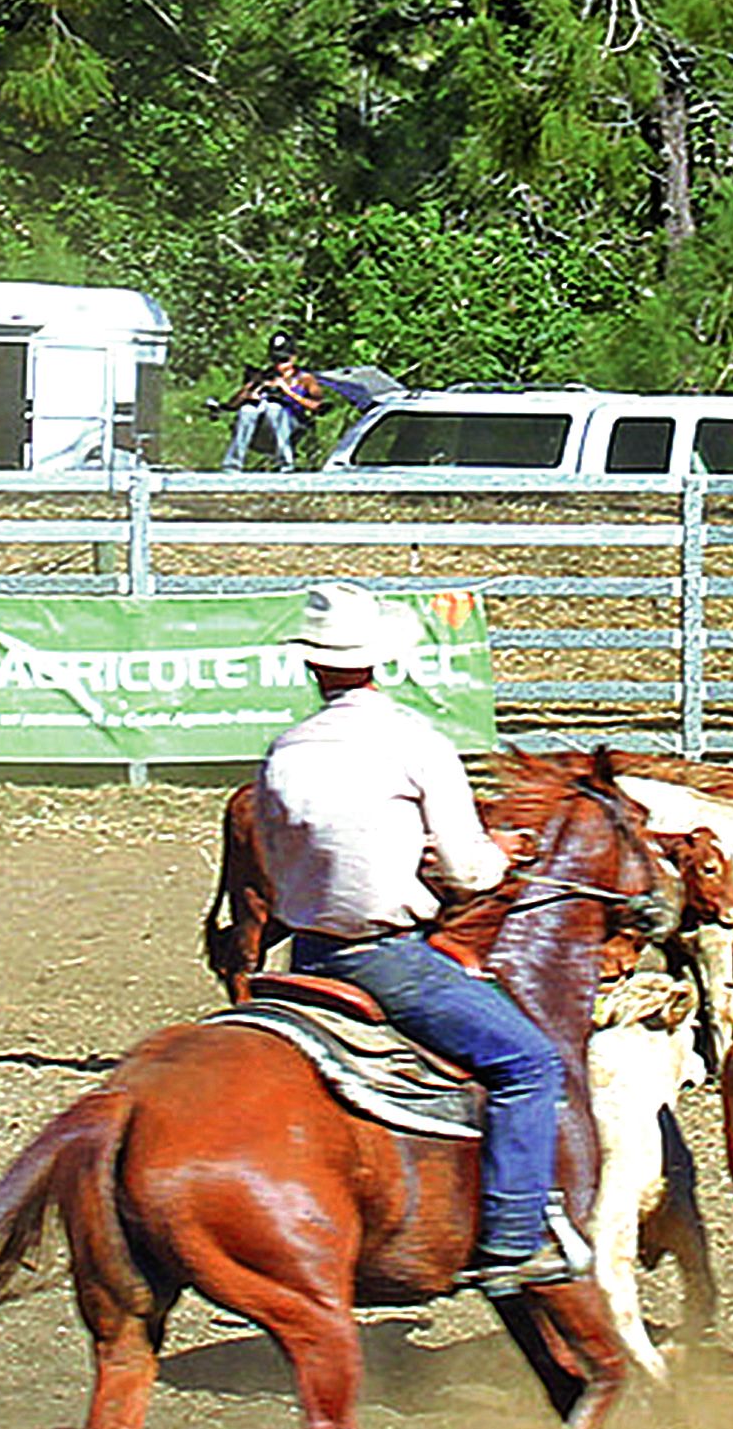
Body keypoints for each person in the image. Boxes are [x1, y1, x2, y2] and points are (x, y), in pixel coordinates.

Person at [253, 578, 586, 1292]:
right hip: (387, 961)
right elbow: (468, 871)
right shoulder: (413, 742)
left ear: (312, 667)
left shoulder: (283, 753)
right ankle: (512, 1238)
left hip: (302, 959)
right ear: (379, 661)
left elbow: (278, 863)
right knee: (528, 1063)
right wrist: (500, 856)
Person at [219, 332, 325, 473]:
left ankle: (285, 462)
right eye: (276, 360)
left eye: (284, 360)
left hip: (291, 423)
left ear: (293, 358)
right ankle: (233, 463)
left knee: (274, 407)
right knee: (247, 410)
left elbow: (318, 406)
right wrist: (250, 391)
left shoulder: (304, 378)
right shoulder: (265, 376)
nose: (280, 366)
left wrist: (289, 392)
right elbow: (231, 405)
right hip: (263, 425)